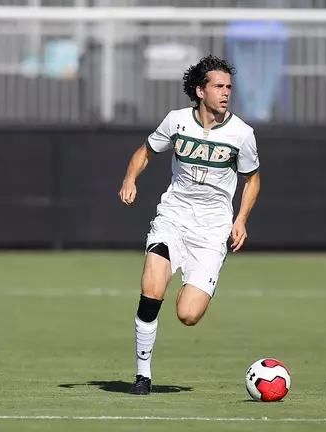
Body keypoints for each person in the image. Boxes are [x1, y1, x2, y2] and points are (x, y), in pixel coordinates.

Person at [118, 54, 261, 395]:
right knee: (152, 288)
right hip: (174, 219)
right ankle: (142, 376)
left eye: (229, 87)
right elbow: (145, 151)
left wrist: (241, 219)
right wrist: (129, 178)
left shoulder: (242, 134)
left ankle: (194, 279)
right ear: (200, 91)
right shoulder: (176, 121)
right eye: (219, 86)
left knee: (188, 314)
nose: (225, 93)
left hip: (212, 232)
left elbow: (252, 179)